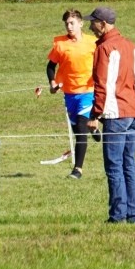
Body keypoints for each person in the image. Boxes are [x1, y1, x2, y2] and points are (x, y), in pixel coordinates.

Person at [86, 6, 135, 224]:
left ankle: (117, 216)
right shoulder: (130, 46)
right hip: (133, 112)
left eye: (93, 22)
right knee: (129, 163)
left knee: (114, 166)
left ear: (103, 24)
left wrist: (95, 113)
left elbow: (103, 84)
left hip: (115, 114)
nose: (90, 26)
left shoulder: (105, 48)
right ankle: (134, 215)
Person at [46, 9, 97, 179]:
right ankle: (94, 126)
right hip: (69, 94)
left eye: (72, 23)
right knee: (77, 130)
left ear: (81, 24)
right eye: (66, 23)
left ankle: (78, 169)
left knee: (81, 130)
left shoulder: (93, 42)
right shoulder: (60, 44)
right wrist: (52, 83)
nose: (69, 26)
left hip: (88, 91)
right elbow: (50, 67)